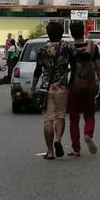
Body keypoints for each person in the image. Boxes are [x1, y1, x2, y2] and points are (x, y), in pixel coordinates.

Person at [31, 21, 71, 159]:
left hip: (46, 89)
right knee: (60, 116)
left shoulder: (42, 50)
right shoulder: (67, 48)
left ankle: (49, 151)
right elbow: (75, 66)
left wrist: (32, 87)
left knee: (48, 119)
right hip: (62, 88)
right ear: (61, 34)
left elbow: (37, 71)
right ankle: (58, 139)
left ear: (48, 33)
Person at [66, 20, 100, 156]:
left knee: (74, 118)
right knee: (89, 114)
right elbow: (98, 68)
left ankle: (76, 149)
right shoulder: (92, 46)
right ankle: (88, 134)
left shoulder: (69, 48)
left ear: (71, 33)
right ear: (83, 31)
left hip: (74, 86)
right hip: (89, 86)